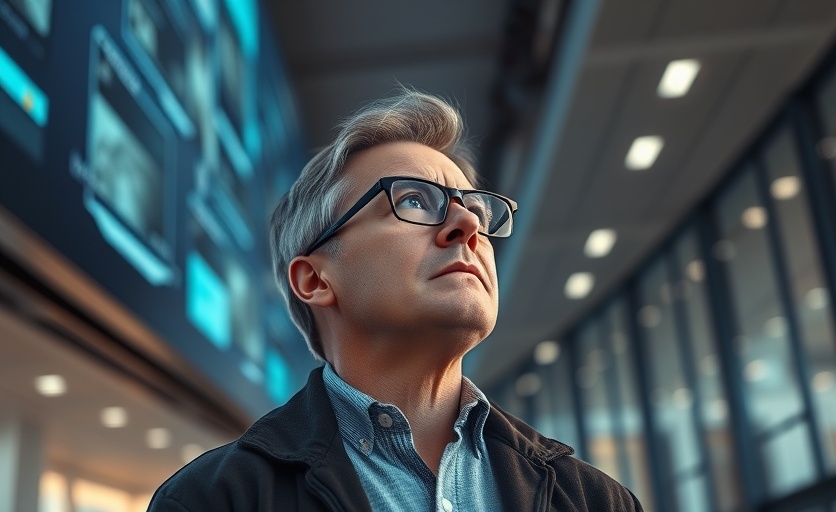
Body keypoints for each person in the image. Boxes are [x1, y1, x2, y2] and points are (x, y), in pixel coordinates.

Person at [148, 89, 643, 511]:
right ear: (315, 279)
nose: (469, 225)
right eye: (412, 200)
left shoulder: (594, 500)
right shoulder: (215, 501)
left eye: (474, 208)